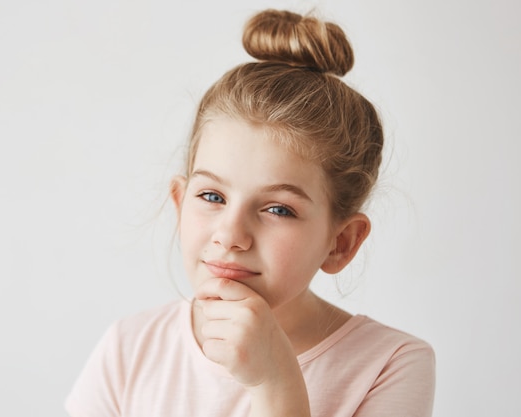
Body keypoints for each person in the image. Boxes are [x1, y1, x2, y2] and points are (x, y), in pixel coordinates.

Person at [65, 8, 435, 417]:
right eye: (212, 197)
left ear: (340, 243)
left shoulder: (390, 364)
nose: (230, 235)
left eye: (278, 208)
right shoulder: (128, 350)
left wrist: (275, 382)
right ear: (179, 203)